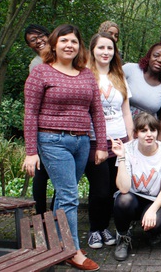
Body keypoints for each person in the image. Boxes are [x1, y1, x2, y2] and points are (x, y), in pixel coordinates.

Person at [22, 24, 106, 271]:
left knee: (63, 194)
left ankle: (58, 244)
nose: (69, 45)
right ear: (54, 44)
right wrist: (30, 151)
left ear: (79, 46)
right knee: (69, 194)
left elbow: (97, 113)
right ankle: (73, 251)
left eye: (74, 41)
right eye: (64, 41)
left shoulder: (86, 74)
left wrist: (100, 144)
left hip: (81, 142)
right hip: (52, 141)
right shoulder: (41, 73)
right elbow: (30, 113)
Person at [85, 32, 134, 249]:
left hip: (119, 139)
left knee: (117, 188)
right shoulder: (84, 75)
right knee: (100, 189)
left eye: (110, 48)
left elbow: (126, 112)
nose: (106, 52)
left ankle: (107, 228)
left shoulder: (119, 76)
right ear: (92, 50)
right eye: (101, 48)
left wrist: (130, 140)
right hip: (95, 140)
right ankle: (96, 229)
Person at [111, 112, 161, 261]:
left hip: (156, 199)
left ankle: (153, 231)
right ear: (135, 133)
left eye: (152, 130)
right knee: (123, 200)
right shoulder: (127, 148)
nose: (149, 135)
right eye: (143, 130)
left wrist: (152, 210)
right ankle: (123, 237)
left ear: (157, 132)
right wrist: (121, 157)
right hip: (133, 197)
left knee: (157, 223)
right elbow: (124, 189)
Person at [24, 24, 53, 215]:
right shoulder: (36, 64)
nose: (39, 41)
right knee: (41, 174)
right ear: (30, 46)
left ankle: (57, 213)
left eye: (41, 36)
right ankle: (41, 214)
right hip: (45, 125)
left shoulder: (64, 54)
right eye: (33, 40)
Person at [123, 42, 161, 141]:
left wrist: (159, 140)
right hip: (120, 124)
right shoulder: (130, 69)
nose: (159, 60)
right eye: (156, 55)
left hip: (146, 132)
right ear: (149, 56)